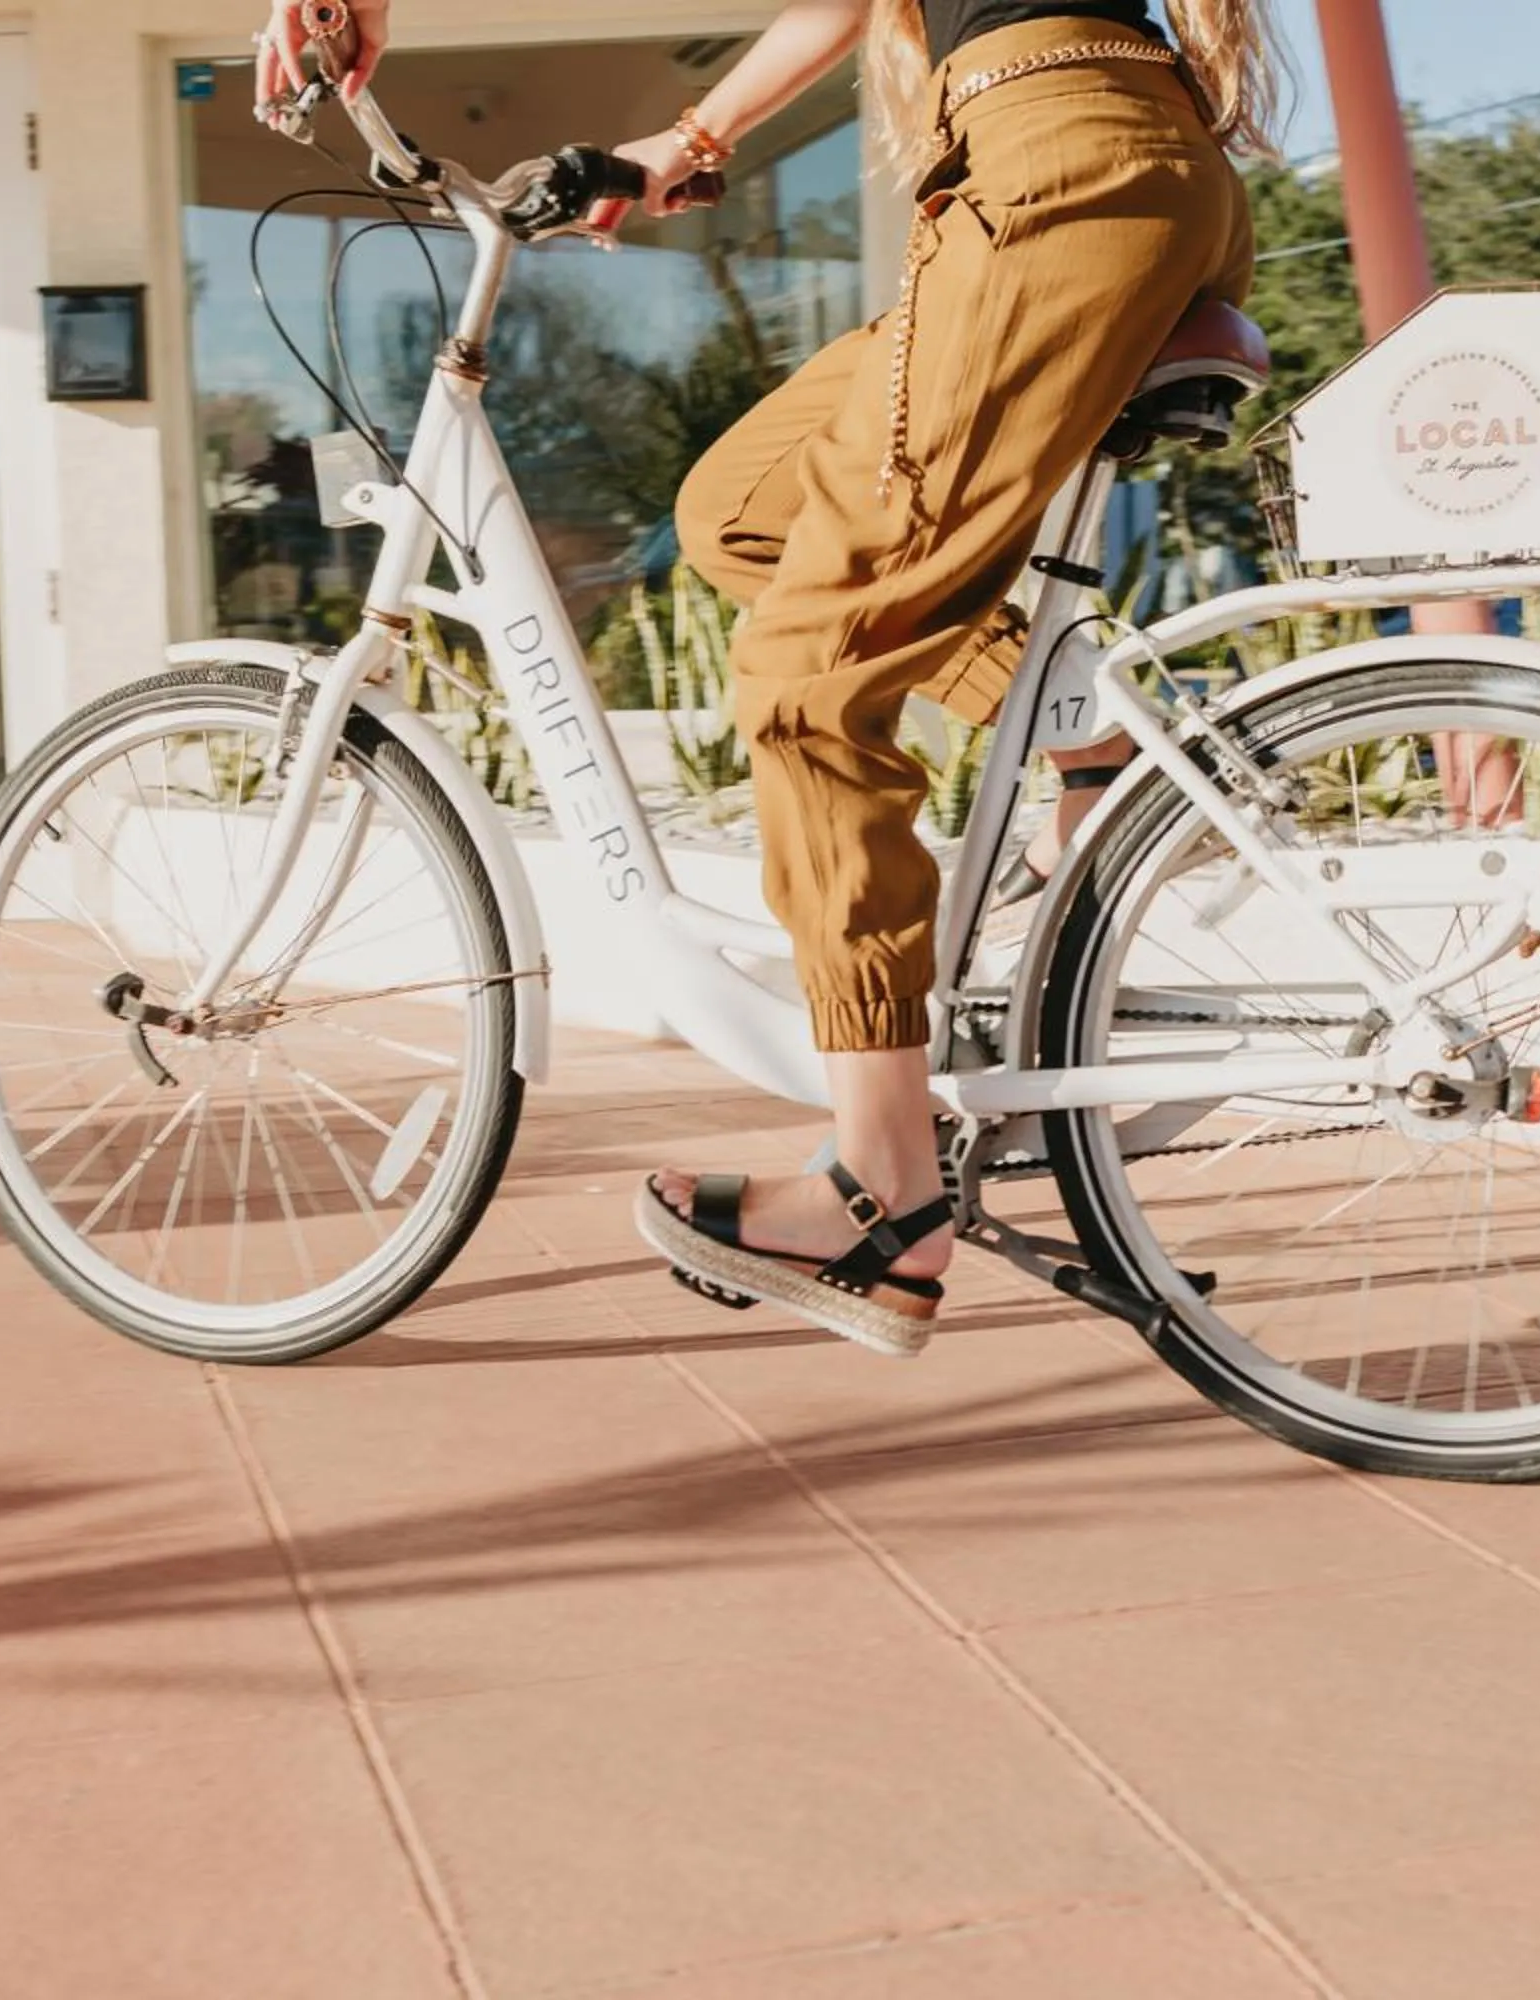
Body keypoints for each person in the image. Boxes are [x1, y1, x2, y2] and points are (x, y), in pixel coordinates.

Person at [263, 0, 1277, 1357]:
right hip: (1089, 160)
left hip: (1051, 170)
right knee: (739, 510)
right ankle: (1097, 749)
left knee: (807, 677)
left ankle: (883, 1194)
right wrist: (686, 136)